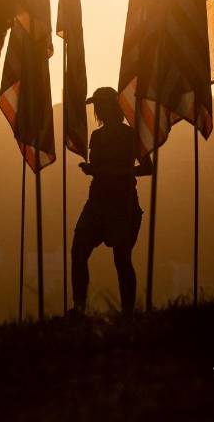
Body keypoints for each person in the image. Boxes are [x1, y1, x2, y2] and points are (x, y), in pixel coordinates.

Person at [71, 86, 153, 316]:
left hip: (123, 203)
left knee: (122, 258)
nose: (97, 110)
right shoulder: (97, 136)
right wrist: (97, 170)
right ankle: (79, 308)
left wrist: (117, 173)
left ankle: (128, 312)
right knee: (78, 250)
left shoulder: (130, 136)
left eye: (100, 105)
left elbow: (148, 168)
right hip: (96, 202)